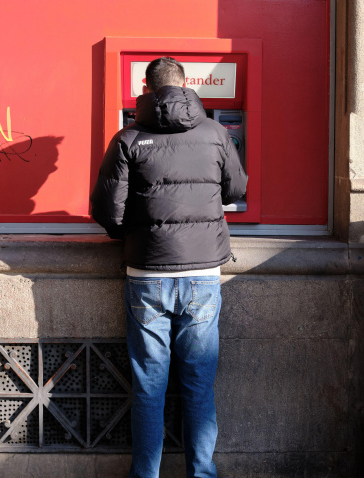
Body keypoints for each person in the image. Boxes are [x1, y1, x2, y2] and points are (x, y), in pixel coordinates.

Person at [90, 56, 248, 478]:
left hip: (147, 276)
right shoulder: (217, 133)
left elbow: (107, 208)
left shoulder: (128, 138)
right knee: (198, 387)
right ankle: (202, 472)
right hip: (202, 277)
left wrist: (135, 237)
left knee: (148, 389)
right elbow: (238, 188)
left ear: (146, 90)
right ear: (185, 86)